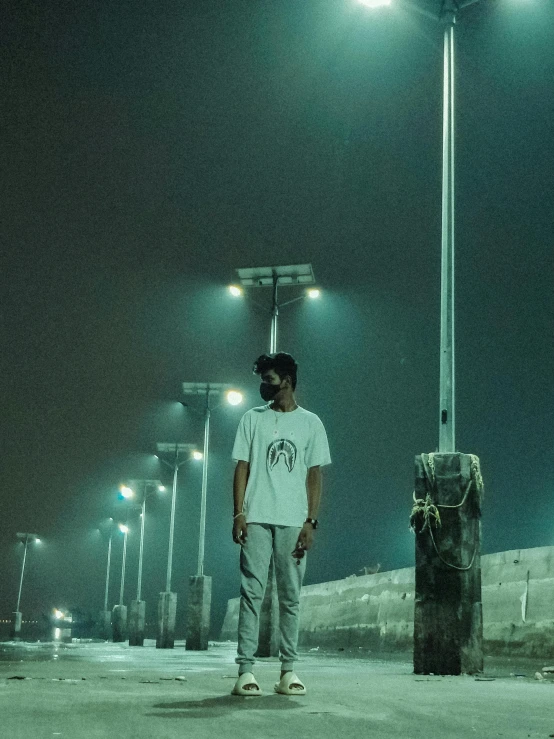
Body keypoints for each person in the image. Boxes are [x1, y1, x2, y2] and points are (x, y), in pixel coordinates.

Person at [230, 352, 331, 697]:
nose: (263, 386)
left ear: (286, 381)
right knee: (252, 593)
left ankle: (289, 670)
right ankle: (245, 670)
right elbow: (241, 467)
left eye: (269, 380)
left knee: (290, 597)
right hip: (256, 517)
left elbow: (314, 476)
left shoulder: (311, 423)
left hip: (293, 521)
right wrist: (238, 513)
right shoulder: (252, 419)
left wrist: (310, 522)